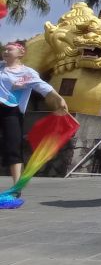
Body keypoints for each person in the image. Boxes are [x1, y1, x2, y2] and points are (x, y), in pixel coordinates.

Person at [0, 42, 69, 191]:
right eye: (4, 49)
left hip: (11, 112)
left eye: (9, 49)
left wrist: (59, 99)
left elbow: (44, 88)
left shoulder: (27, 73)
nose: (5, 51)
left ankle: (16, 188)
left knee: (13, 147)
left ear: (21, 53)